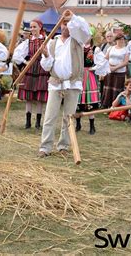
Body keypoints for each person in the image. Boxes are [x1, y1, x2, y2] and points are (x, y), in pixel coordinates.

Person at [37, 9, 90, 157]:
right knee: (50, 116)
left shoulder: (78, 39)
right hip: (55, 83)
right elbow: (46, 66)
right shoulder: (52, 43)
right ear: (59, 25)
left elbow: (85, 29)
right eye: (63, 24)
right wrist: (46, 56)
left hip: (72, 84)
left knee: (69, 117)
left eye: (68, 24)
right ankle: (45, 147)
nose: (65, 27)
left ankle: (64, 146)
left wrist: (72, 17)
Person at [12, 19, 49, 129]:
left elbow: (52, 55)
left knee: (39, 98)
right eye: (31, 27)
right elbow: (16, 55)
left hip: (42, 69)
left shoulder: (47, 40)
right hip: (30, 69)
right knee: (29, 97)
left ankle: (38, 123)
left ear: (40, 27)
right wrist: (25, 61)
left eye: (34, 27)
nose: (32, 29)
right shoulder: (28, 42)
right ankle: (28, 122)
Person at [75, 38, 109, 134]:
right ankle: (78, 124)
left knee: (90, 101)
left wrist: (94, 68)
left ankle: (92, 126)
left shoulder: (95, 49)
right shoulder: (78, 47)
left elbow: (103, 61)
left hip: (89, 76)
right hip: (79, 75)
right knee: (78, 100)